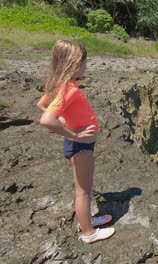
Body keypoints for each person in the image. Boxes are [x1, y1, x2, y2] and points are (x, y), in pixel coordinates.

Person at [37, 40, 115, 244]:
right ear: (74, 64)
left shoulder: (61, 85)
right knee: (83, 191)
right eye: (84, 62)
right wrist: (75, 135)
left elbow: (42, 104)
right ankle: (89, 233)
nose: (86, 66)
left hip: (81, 145)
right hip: (80, 146)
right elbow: (46, 119)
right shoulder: (68, 88)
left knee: (84, 189)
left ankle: (88, 220)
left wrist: (66, 122)